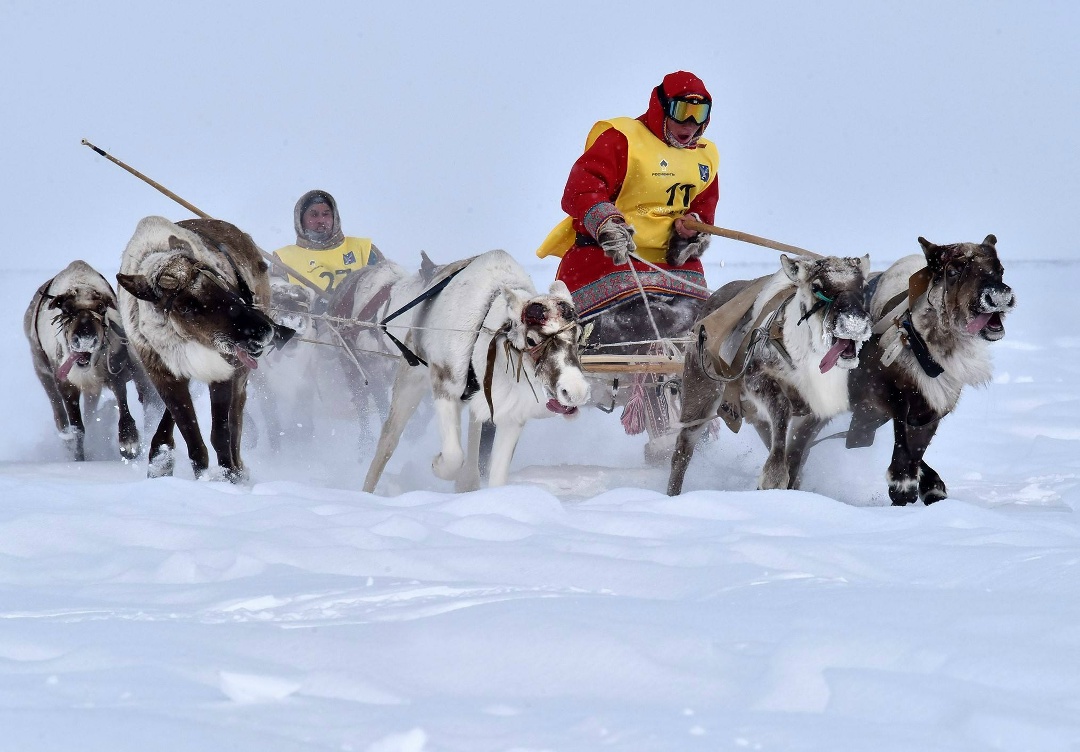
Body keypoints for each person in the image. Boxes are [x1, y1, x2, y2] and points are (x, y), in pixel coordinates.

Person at [537, 70, 719, 325]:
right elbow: (580, 189)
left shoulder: (705, 156)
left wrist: (694, 223)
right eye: (681, 111)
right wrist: (607, 223)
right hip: (613, 259)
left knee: (704, 327)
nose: (689, 123)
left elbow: (704, 202)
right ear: (662, 107)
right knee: (635, 323)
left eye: (698, 114)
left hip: (674, 265)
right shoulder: (623, 138)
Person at [273, 189, 383, 294]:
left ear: (335, 217)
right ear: (301, 220)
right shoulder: (283, 260)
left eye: (326, 214)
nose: (321, 220)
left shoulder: (364, 250)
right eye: (314, 215)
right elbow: (271, 300)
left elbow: (387, 287)